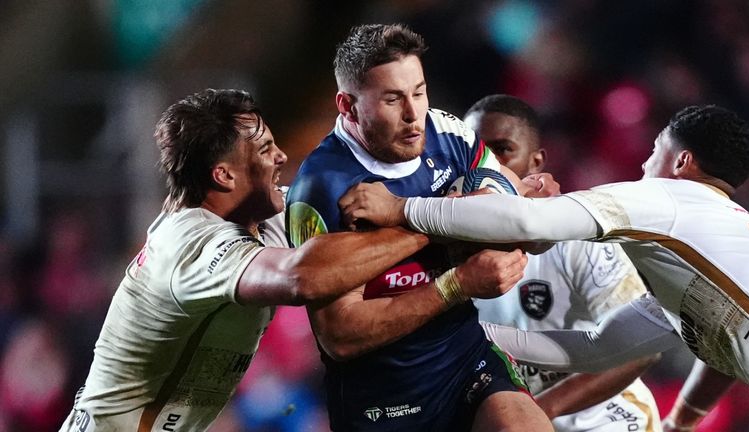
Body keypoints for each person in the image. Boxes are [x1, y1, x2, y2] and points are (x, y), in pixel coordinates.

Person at [340, 104, 749, 429]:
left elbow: (528, 219)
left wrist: (402, 208)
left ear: (681, 162)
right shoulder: (716, 248)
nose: (641, 165)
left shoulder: (668, 198)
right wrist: (461, 333)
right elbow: (594, 347)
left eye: (653, 151)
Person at [57, 88, 453, 432]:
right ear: (225, 176)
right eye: (265, 149)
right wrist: (431, 225)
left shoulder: (259, 219)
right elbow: (303, 278)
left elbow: (359, 205)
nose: (281, 156)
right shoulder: (188, 243)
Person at [286, 24, 554, 431]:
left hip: (466, 359)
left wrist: (408, 215)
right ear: (348, 106)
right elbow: (340, 335)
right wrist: (457, 278)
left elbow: (507, 198)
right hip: (383, 397)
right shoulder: (321, 189)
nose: (414, 115)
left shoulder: (446, 131)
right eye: (393, 99)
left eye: (419, 91)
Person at [465, 94, 662, 431]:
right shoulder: (440, 244)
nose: (487, 165)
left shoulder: (580, 237)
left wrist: (541, 411)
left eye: (502, 150)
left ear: (536, 162)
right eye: (475, 152)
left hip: (604, 418)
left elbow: (641, 347)